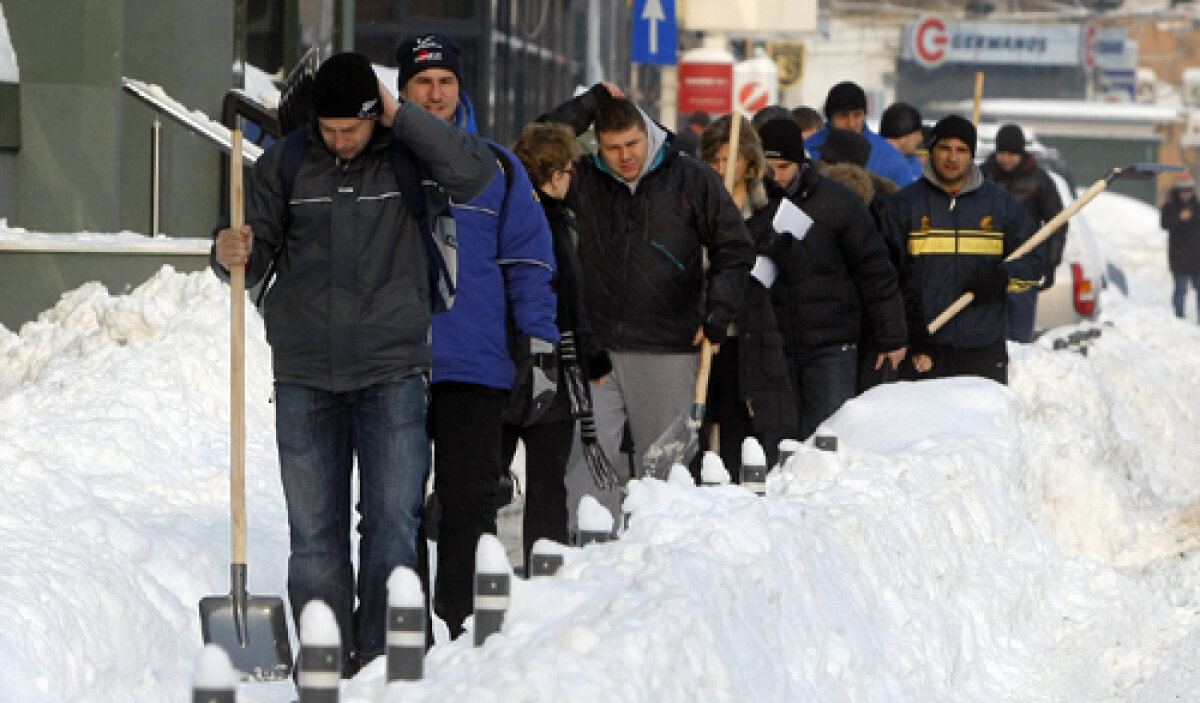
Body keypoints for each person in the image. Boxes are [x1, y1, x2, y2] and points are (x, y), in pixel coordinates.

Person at [210, 52, 494, 674]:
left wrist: (403, 116)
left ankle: (383, 659)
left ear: (376, 114)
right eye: (329, 129)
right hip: (305, 372)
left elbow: (476, 174)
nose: (340, 141)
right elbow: (253, 255)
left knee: (394, 524)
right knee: (315, 534)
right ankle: (324, 657)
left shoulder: (410, 154)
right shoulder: (285, 163)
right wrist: (230, 251)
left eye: (353, 129)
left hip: (392, 369)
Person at [395, 32, 559, 638]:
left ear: (460, 90)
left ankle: (461, 625)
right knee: (397, 509)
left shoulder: (500, 168)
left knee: (469, 504)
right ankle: (404, 625)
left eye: (445, 83)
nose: (435, 94)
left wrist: (539, 344)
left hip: (475, 365)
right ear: (402, 90)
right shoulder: (384, 162)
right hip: (397, 364)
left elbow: (529, 262)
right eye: (422, 82)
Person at [539, 83, 755, 479]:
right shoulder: (583, 177)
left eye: (632, 144)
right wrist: (592, 101)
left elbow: (735, 247)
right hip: (596, 353)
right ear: (596, 145)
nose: (624, 157)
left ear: (647, 131)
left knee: (665, 479)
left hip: (669, 348)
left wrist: (718, 314)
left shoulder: (690, 176)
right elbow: (536, 148)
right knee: (588, 478)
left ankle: (661, 543)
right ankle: (593, 542)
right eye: (612, 147)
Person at [757, 117, 907, 438]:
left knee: (827, 441)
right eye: (768, 167)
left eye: (783, 166)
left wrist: (891, 334)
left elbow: (874, 269)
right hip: (770, 345)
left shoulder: (839, 202)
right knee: (774, 442)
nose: (776, 176)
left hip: (830, 344)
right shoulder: (747, 205)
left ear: (800, 162)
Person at [507, 122, 610, 567]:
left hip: (501, 362)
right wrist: (591, 353)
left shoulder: (508, 212)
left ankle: (478, 578)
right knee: (548, 481)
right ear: (556, 173)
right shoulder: (552, 225)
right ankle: (542, 571)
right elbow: (567, 299)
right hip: (547, 365)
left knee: (492, 476)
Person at [880, 115, 1041, 385]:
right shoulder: (904, 206)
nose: (952, 158)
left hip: (982, 348)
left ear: (972, 155)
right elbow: (886, 277)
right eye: (944, 148)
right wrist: (909, 333)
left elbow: (1035, 263)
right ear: (931, 150)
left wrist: (1004, 277)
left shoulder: (1001, 206)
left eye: (961, 150)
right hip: (924, 347)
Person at [695, 114, 799, 478]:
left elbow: (792, 271)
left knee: (742, 429)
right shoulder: (697, 203)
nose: (722, 168)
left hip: (751, 336)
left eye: (731, 159)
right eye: (715, 160)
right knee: (698, 429)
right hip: (704, 333)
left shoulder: (773, 208)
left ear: (750, 162)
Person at [980, 123, 1068, 342]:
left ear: (1021, 153)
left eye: (1012, 154)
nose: (1006, 159)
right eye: (1002, 153)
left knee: (1019, 334)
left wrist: (1050, 263)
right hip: (987, 265)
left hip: (1025, 267)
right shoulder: (983, 176)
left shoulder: (1040, 181)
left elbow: (1057, 224)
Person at [804, 81, 915, 186]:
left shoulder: (891, 159)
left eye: (857, 115)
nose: (851, 123)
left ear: (864, 115)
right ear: (830, 117)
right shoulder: (807, 150)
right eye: (843, 116)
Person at [1161, 175, 1200, 321]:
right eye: (1183, 191)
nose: (1186, 194)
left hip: (1197, 257)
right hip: (1179, 256)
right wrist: (1179, 218)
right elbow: (1164, 224)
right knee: (1180, 289)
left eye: (1189, 191)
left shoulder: (1197, 207)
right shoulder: (1170, 207)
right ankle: (1178, 318)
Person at [879, 102, 925, 182]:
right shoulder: (867, 163)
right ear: (903, 136)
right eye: (918, 133)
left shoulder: (915, 164)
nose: (921, 138)